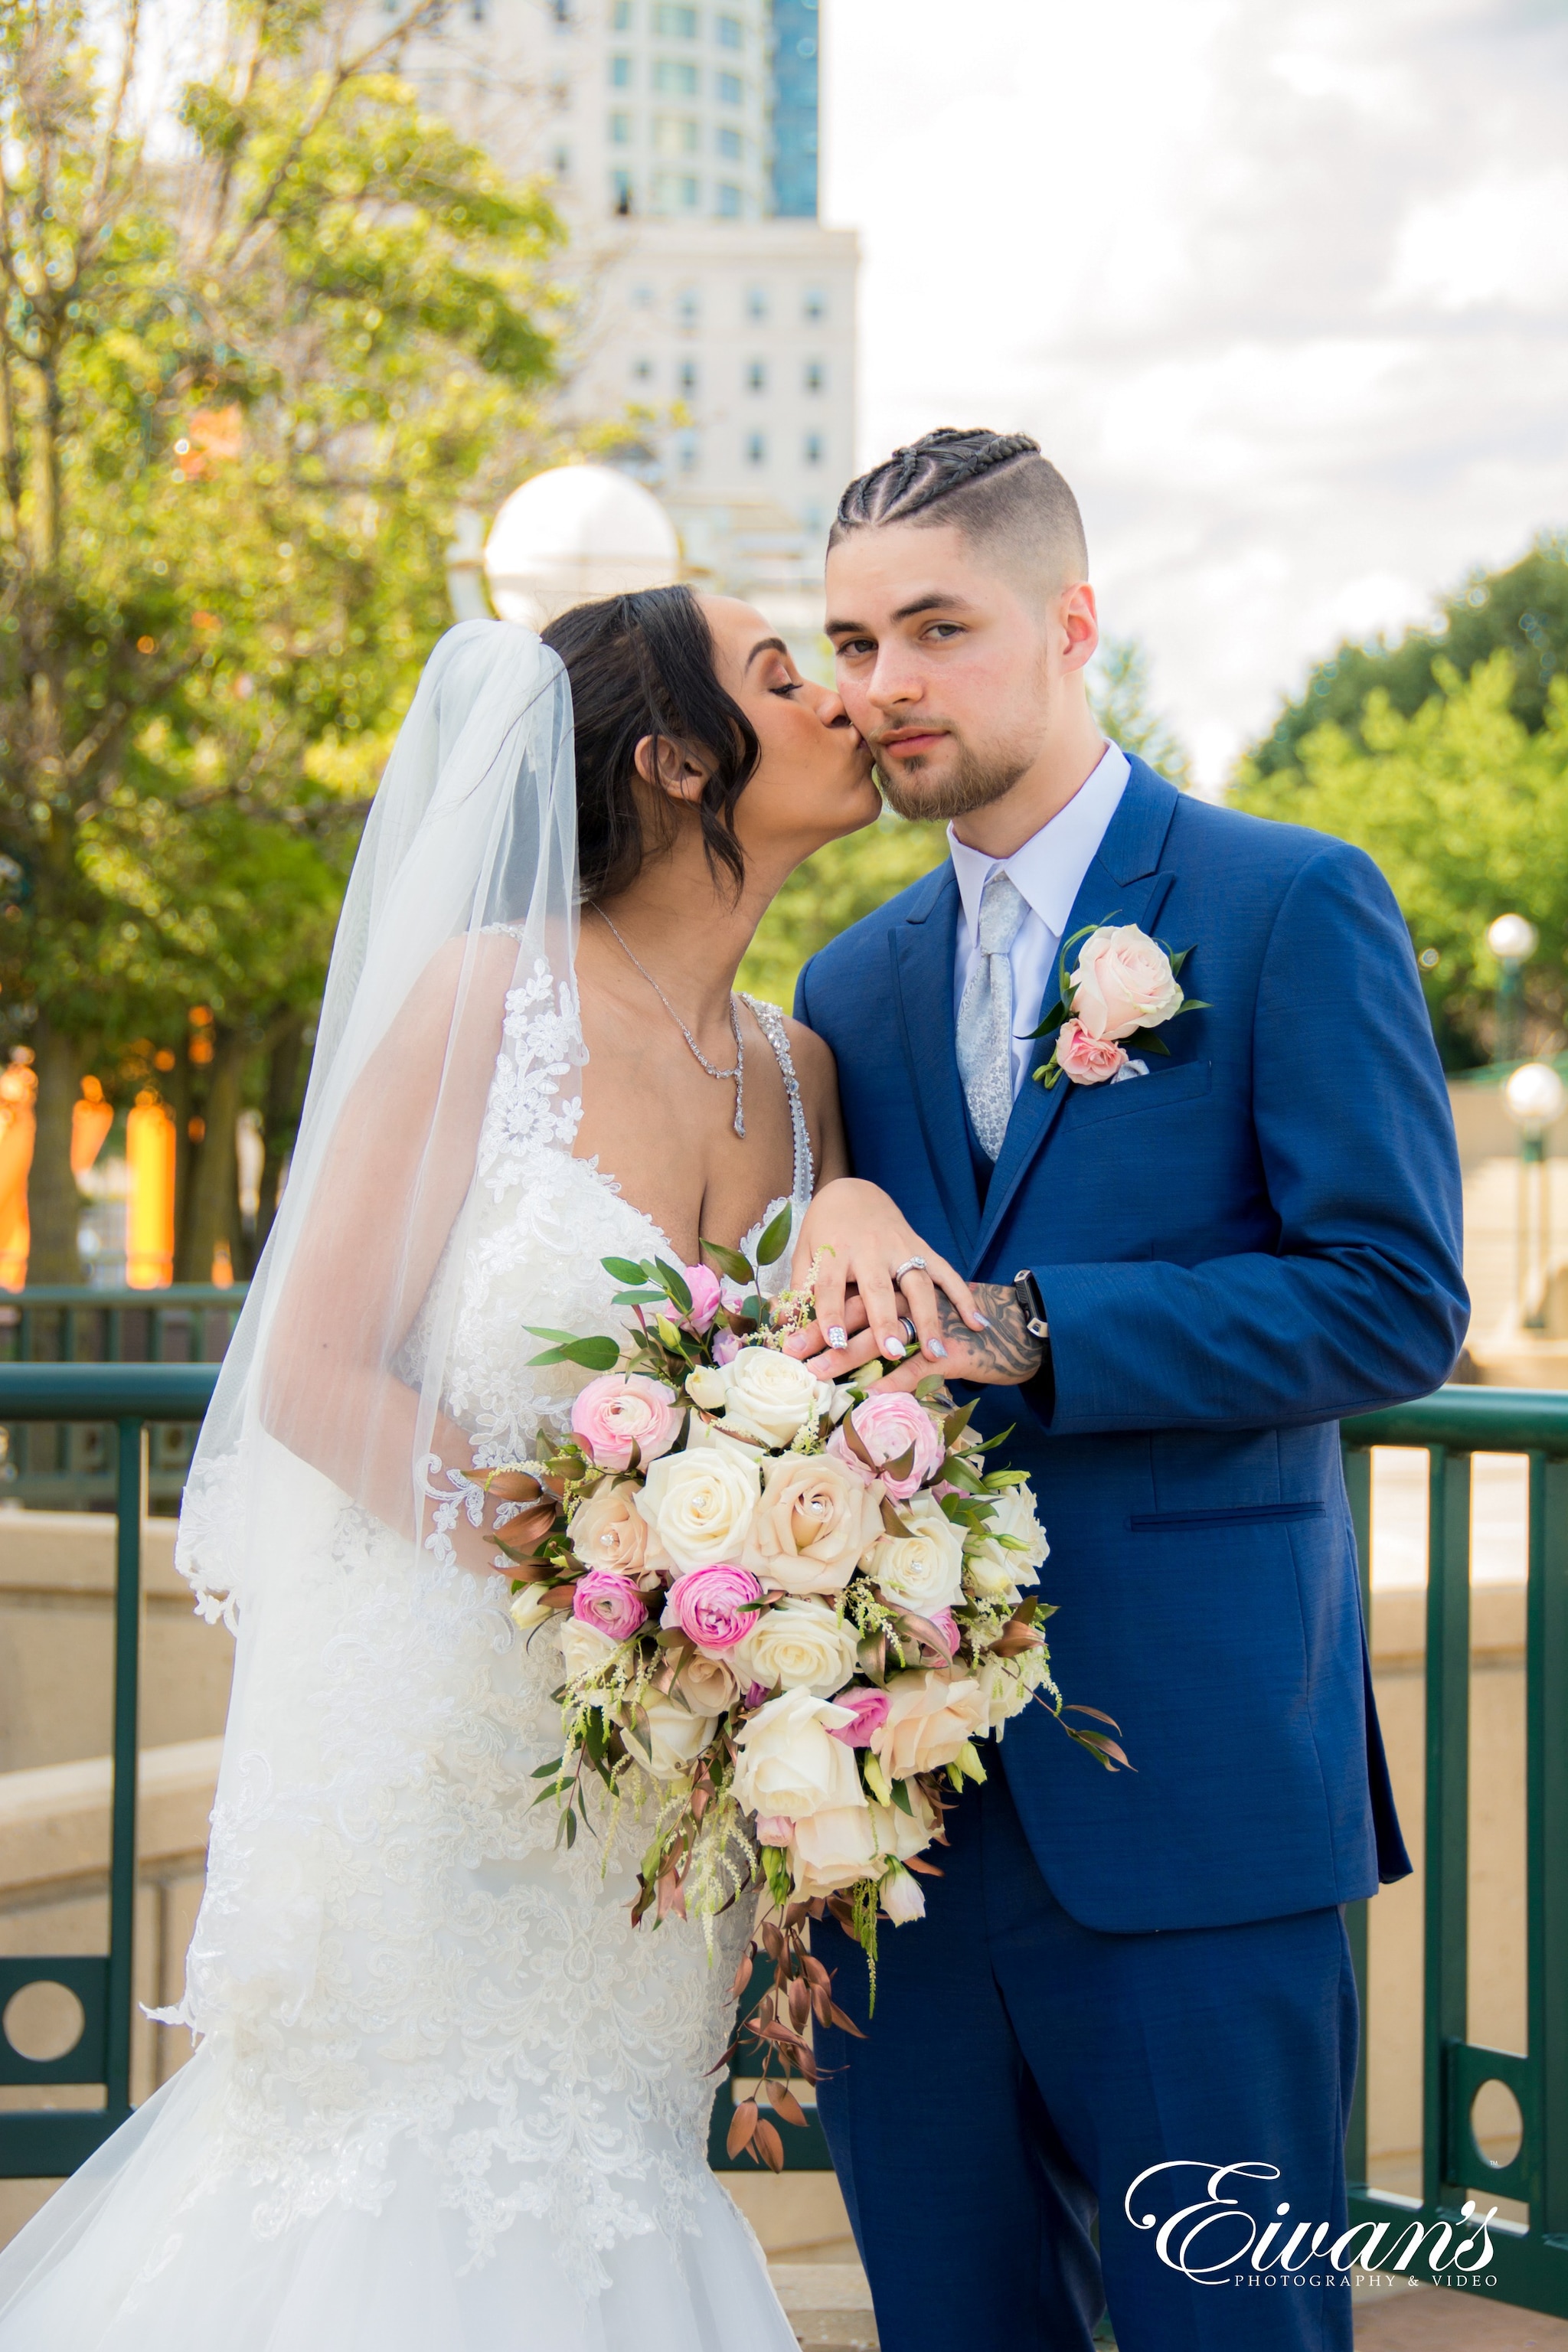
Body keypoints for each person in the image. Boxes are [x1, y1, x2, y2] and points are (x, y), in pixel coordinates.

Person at [0, 588, 976, 2351]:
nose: (845, 700)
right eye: (786, 675)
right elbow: (312, 1369)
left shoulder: (800, 1069)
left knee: (605, 2186)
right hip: (445, 1761)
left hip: (648, 1814)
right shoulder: (489, 998)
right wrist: (599, 1573)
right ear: (680, 759)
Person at [787, 428, 1468, 2352]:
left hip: (1195, 1810)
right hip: (896, 1833)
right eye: (849, 640)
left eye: (937, 626)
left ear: (1072, 625)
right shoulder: (845, 984)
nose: (883, 683)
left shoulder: (1281, 904)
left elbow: (1395, 1301)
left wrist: (1026, 1332)